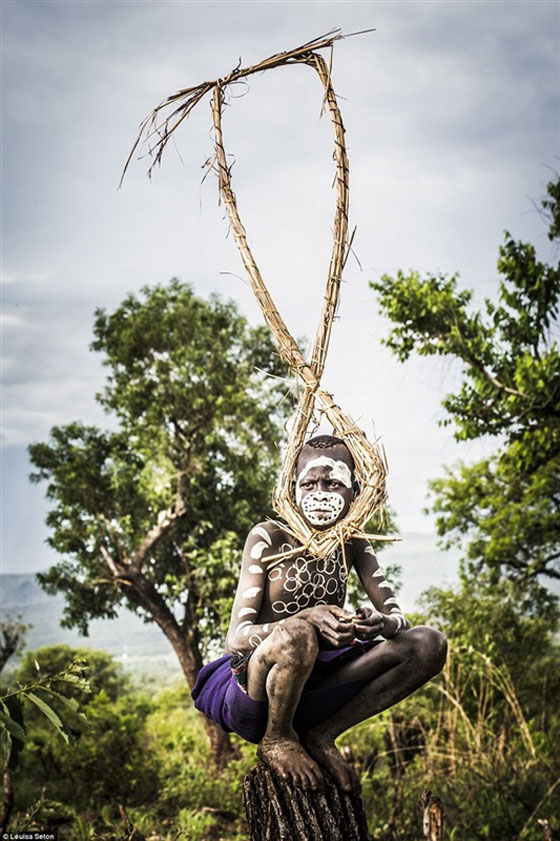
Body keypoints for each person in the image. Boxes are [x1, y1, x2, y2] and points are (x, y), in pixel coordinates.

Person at [192, 434, 447, 791]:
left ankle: (323, 736)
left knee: (428, 643)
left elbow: (397, 618)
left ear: (354, 491)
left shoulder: (355, 544)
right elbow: (236, 638)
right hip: (258, 692)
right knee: (297, 634)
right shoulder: (268, 536)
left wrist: (378, 623)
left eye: (333, 483)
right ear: (293, 488)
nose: (320, 492)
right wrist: (306, 618)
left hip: (319, 688)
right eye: (309, 483)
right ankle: (278, 739)